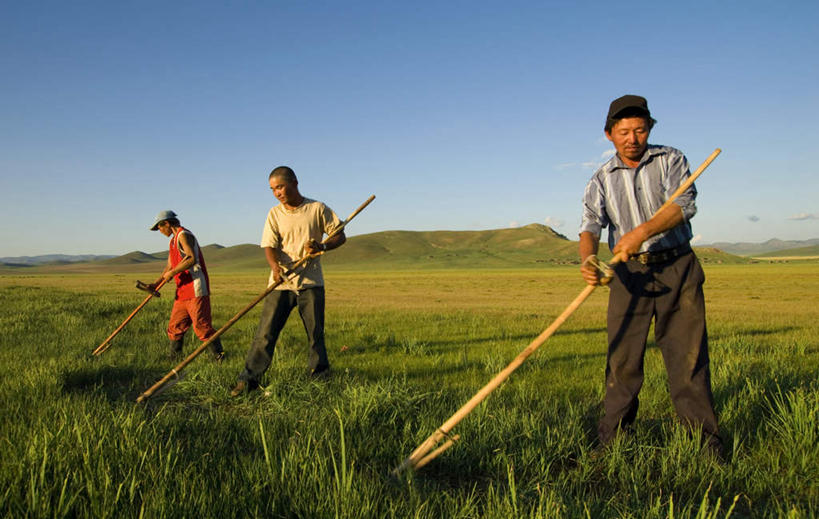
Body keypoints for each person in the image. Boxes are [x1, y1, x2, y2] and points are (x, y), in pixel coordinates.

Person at [579, 95, 722, 456]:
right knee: (622, 361)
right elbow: (590, 224)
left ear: (650, 130)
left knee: (687, 359)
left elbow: (683, 205)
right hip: (629, 275)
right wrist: (588, 259)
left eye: (640, 130)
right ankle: (612, 444)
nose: (633, 138)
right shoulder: (600, 179)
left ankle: (705, 445)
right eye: (624, 131)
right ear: (609, 134)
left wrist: (640, 233)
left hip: (677, 267)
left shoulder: (671, 159)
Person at [231, 166, 346, 396]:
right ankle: (248, 380)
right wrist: (275, 267)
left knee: (315, 334)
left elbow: (339, 235)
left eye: (280, 187)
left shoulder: (317, 209)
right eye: (273, 189)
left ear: (294, 182)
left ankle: (319, 379)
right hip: (282, 282)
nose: (277, 193)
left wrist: (321, 246)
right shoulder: (274, 213)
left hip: (311, 283)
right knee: (265, 333)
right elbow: (269, 246)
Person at [148, 210, 224, 360]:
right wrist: (156, 283)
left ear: (167, 223)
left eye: (160, 227)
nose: (160, 231)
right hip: (182, 289)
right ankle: (174, 358)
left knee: (202, 326)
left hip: (196, 287)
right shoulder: (173, 241)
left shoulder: (184, 235)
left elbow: (191, 258)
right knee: (175, 326)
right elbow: (169, 267)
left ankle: (218, 358)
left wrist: (172, 272)